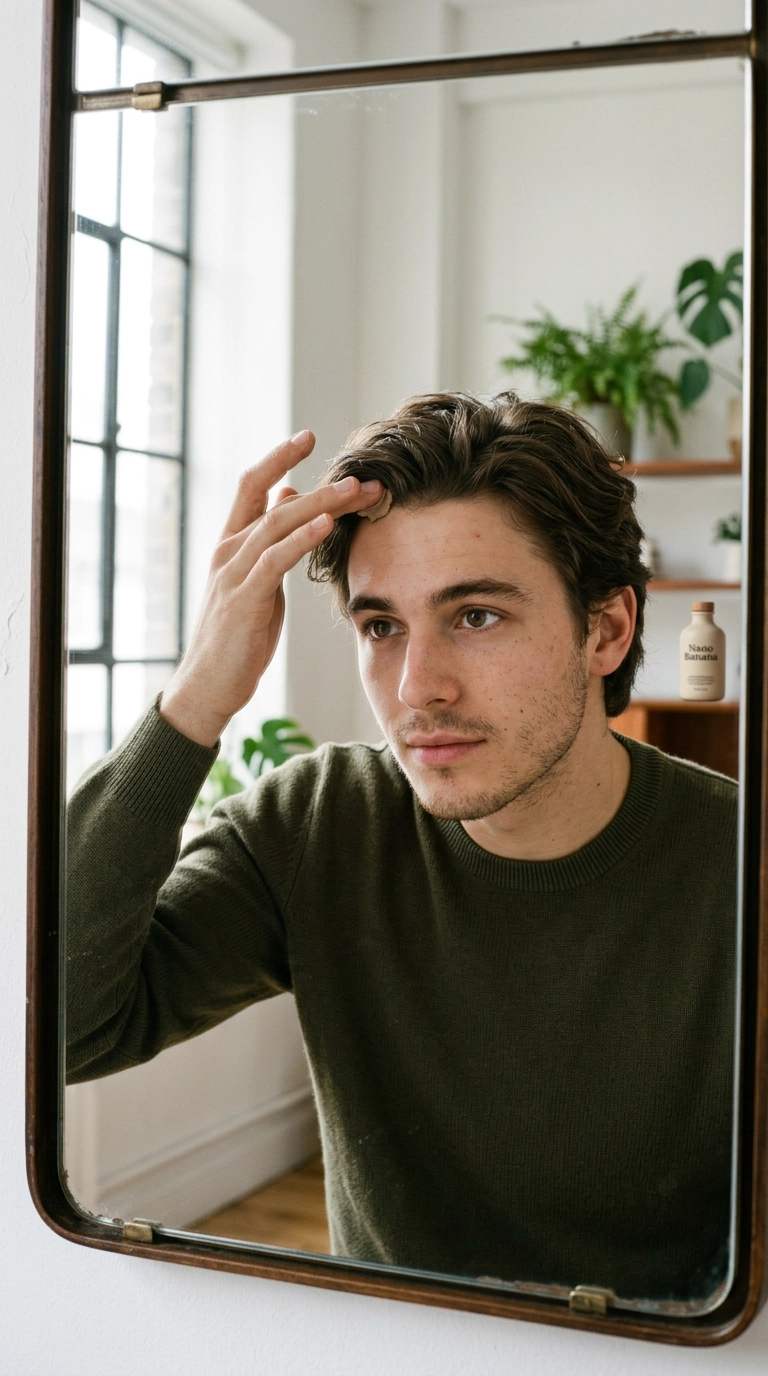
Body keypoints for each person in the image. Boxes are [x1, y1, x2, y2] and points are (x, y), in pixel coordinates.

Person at [66, 392, 736, 1305]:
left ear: (606, 630)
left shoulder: (742, 867)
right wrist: (194, 701)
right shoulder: (317, 824)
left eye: (476, 616)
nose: (419, 688)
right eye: (381, 627)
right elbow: (59, 1029)